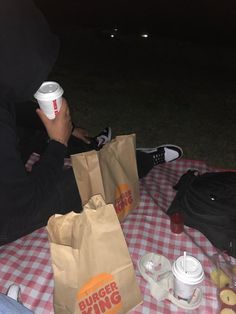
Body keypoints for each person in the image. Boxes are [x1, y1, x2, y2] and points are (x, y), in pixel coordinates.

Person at [0, 0, 183, 246]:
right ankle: (137, 160)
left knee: (33, 124)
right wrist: (57, 144)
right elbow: (21, 206)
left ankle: (89, 146)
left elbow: (17, 111)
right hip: (8, 219)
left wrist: (69, 130)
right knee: (81, 181)